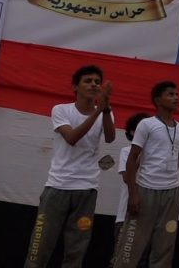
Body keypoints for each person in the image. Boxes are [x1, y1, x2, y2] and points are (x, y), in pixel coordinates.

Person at [25, 64, 115, 268]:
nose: (94, 85)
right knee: (40, 245)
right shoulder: (61, 110)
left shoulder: (105, 112)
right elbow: (72, 138)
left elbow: (110, 138)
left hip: (87, 189)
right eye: (88, 81)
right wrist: (98, 112)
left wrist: (105, 109)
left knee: (76, 249)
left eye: (97, 82)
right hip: (58, 187)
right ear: (75, 87)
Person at [114, 81, 179, 268]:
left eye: (177, 94)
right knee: (131, 244)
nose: (176, 98)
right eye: (170, 94)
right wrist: (133, 194)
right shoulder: (146, 124)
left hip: (172, 194)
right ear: (158, 100)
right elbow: (132, 158)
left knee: (165, 245)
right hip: (146, 190)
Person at [112, 112, 151, 268]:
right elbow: (127, 177)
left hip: (147, 216)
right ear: (134, 132)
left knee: (142, 261)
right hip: (126, 216)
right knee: (120, 259)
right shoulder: (126, 151)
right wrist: (141, 153)